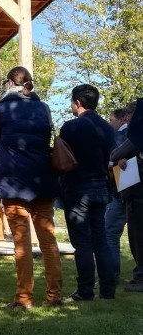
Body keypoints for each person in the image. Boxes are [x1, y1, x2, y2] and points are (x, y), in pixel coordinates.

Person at [0, 66, 62, 309]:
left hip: (13, 183)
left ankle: (24, 299)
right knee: (48, 242)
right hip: (42, 181)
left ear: (10, 83)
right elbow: (46, 140)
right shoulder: (44, 108)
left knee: (22, 244)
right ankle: (54, 296)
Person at [60, 84, 115, 301]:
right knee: (101, 241)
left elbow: (62, 158)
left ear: (78, 102)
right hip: (101, 187)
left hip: (78, 188)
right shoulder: (107, 128)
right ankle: (108, 290)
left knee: (82, 243)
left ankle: (85, 290)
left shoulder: (70, 127)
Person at [110, 99, 143, 292]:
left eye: (130, 114)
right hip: (134, 190)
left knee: (137, 237)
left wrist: (120, 156)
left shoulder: (136, 134)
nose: (128, 118)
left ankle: (140, 277)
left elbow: (115, 154)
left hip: (137, 193)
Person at [105, 107, 130, 285]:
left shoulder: (119, 137)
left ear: (122, 119)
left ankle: (111, 274)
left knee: (110, 233)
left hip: (121, 190)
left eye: (111, 120)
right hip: (131, 191)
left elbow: (112, 161)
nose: (110, 124)